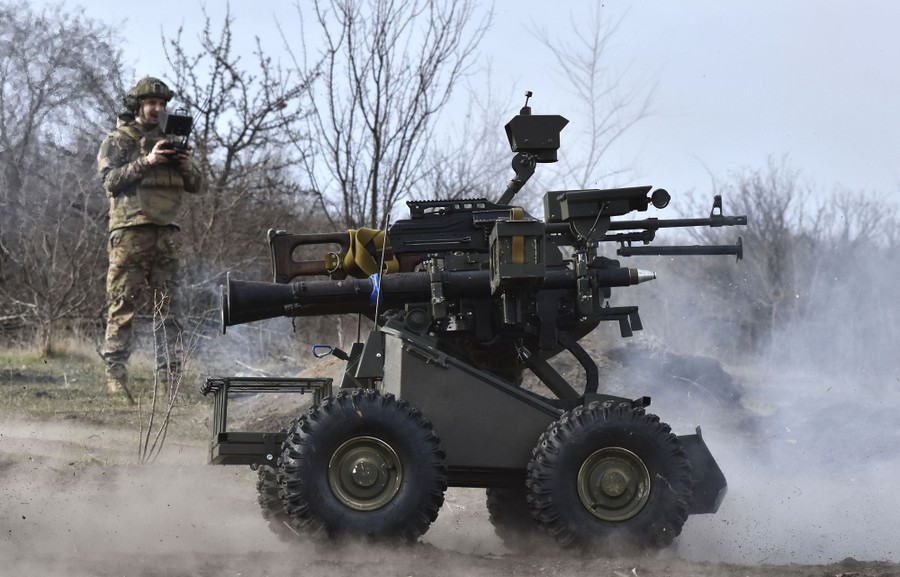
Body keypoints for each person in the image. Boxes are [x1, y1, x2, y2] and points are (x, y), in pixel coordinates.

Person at [96, 76, 203, 398]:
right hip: (130, 233)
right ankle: (116, 377)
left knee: (169, 311)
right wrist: (147, 161)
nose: (157, 109)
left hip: (166, 233)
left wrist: (184, 164)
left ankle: (170, 382)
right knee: (122, 305)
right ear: (138, 105)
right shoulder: (120, 139)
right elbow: (109, 181)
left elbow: (196, 184)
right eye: (151, 103)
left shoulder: (173, 138)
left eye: (161, 104)